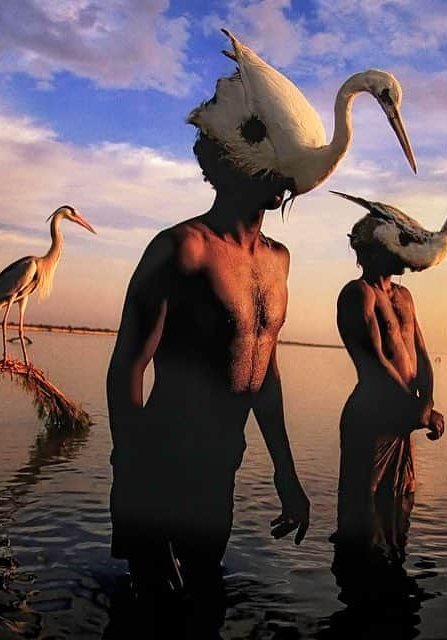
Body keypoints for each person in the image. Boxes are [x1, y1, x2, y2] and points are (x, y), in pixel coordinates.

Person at [106, 133, 310, 604]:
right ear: (228, 163)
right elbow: (127, 371)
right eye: (264, 159)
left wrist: (285, 472)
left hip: (221, 465)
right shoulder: (182, 248)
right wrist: (138, 500)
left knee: (201, 599)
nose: (278, 172)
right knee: (151, 611)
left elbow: (265, 371)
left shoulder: (278, 260)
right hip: (162, 465)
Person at [330, 212, 445, 586]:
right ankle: (358, 596)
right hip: (372, 419)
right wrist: (419, 410)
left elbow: (421, 352)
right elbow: (374, 361)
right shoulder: (357, 294)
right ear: (372, 251)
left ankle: (391, 591)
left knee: (397, 507)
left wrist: (426, 401)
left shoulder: (405, 296)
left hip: (401, 416)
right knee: (363, 516)